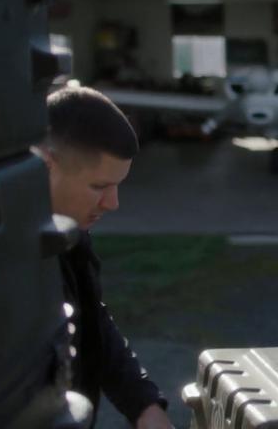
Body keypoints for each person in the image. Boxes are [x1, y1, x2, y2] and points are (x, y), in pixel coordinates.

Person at [35, 86, 172, 429]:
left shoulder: (69, 234)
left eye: (117, 186)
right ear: (46, 164)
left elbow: (91, 319)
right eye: (99, 187)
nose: (113, 204)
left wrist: (144, 405)